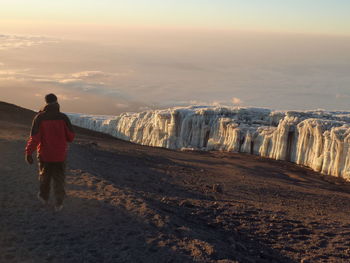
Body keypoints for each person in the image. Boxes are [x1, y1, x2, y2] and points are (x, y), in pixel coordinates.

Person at [25, 93, 75, 211]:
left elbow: (35, 138)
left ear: (46, 102)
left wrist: (28, 152)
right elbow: (71, 137)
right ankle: (59, 203)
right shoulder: (64, 118)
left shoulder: (39, 118)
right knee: (59, 179)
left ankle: (44, 198)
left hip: (44, 155)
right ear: (57, 101)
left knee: (45, 177)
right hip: (60, 155)